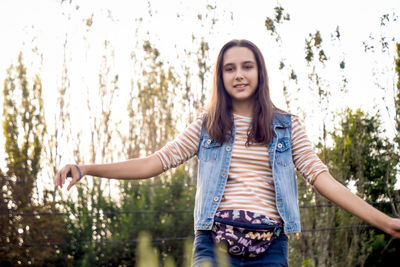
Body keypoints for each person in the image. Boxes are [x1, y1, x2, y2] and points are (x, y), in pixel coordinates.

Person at [54, 39, 400, 266]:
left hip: (271, 247)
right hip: (214, 246)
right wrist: (86, 168)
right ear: (220, 76)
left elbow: (323, 180)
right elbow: (155, 162)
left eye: (247, 66)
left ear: (259, 72)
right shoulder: (207, 126)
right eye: (229, 68)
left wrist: (386, 222)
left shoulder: (287, 126)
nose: (239, 75)